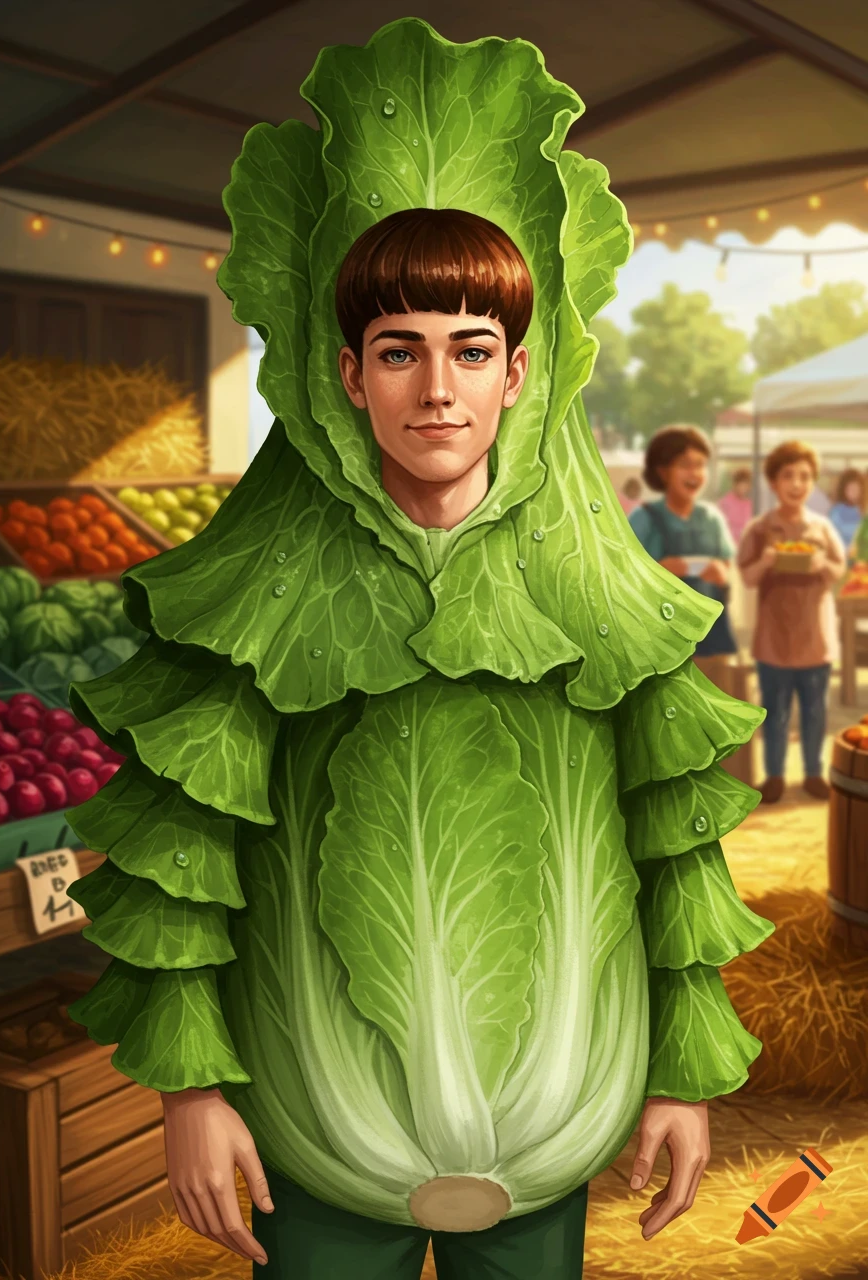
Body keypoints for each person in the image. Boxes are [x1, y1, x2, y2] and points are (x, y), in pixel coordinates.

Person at [61, 20, 772, 1280]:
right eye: (398, 351)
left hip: (551, 1140)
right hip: (308, 1133)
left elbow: (669, 840)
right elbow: (181, 852)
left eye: (470, 350)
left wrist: (679, 1072)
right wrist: (190, 1089)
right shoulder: (258, 588)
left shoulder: (593, 587)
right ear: (345, 375)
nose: (435, 389)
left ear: (517, 374)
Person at [737, 441, 846, 804]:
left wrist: (822, 567)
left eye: (804, 476)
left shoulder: (822, 527)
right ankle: (776, 776)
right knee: (776, 714)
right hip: (773, 641)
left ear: (812, 482)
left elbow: (839, 570)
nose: (796, 484)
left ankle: (814, 773)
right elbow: (747, 577)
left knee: (816, 712)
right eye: (788, 476)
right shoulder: (760, 528)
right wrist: (766, 561)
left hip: (816, 639)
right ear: (773, 481)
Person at [629, 426, 737, 696]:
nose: (695, 474)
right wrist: (660, 572)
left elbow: (727, 569)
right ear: (663, 471)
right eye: (685, 465)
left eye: (700, 465)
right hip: (660, 641)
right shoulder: (644, 519)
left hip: (712, 638)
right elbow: (623, 576)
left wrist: (721, 572)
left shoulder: (711, 518)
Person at [828, 469, 865, 561]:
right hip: (842, 557)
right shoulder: (836, 511)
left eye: (856, 489)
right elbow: (832, 537)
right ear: (843, 490)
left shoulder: (862, 511)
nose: (853, 493)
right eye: (850, 489)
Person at [717, 467, 752, 545]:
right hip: (728, 544)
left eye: (746, 485)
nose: (743, 488)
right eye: (741, 484)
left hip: (744, 545)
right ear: (735, 484)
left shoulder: (749, 504)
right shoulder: (725, 502)